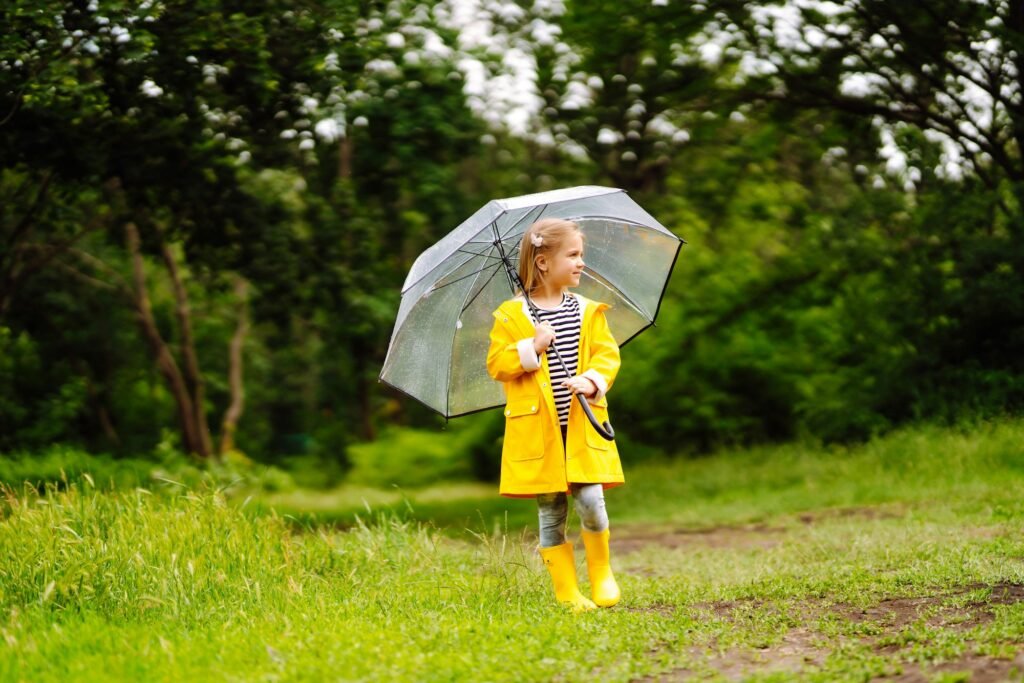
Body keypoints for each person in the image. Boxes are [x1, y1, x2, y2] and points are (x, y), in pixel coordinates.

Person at [486, 217, 623, 612]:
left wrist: (592, 380)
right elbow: (497, 364)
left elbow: (607, 355)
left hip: (581, 425)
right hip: (539, 433)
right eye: (574, 255)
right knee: (551, 511)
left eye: (582, 255)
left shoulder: (587, 310)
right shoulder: (511, 316)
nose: (581, 263)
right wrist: (532, 345)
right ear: (543, 262)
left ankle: (601, 574)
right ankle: (567, 592)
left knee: (592, 503)